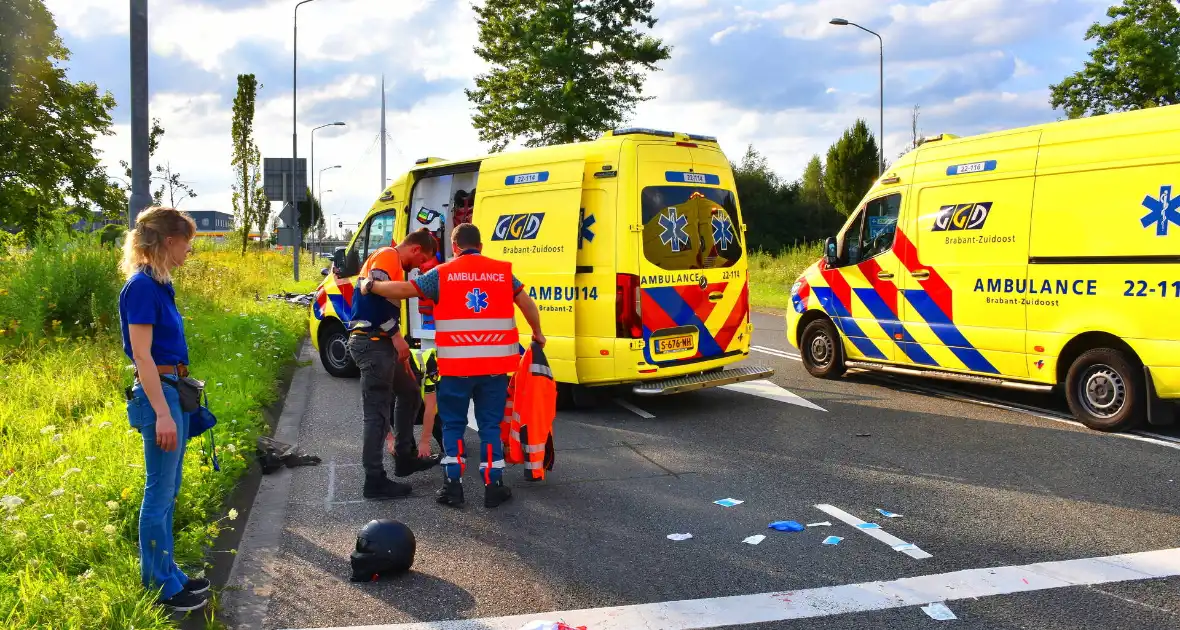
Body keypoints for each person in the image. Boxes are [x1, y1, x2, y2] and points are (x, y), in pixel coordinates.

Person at [361, 223, 544, 508]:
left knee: (454, 426)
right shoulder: (502, 273)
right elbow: (526, 302)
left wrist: (372, 285)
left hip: (456, 367)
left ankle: (453, 487)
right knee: (490, 426)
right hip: (494, 368)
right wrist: (537, 332)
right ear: (481, 246)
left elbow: (405, 289)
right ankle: (493, 486)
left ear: (455, 247)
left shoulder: (442, 274)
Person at [119, 206, 209, 613]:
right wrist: (163, 412)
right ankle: (159, 586)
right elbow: (142, 356)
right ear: (169, 241)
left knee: (168, 491)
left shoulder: (158, 285)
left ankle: (169, 573)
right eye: (187, 240)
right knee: (158, 493)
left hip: (174, 386)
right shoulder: (140, 287)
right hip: (160, 393)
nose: (190, 248)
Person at [348, 228, 438, 500]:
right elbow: (370, 297)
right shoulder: (388, 255)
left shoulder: (390, 260)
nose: (419, 268)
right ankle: (374, 480)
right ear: (415, 249)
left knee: (410, 391)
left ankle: (404, 456)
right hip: (373, 342)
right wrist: (397, 336)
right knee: (376, 415)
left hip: (382, 342)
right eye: (422, 261)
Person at [385, 345, 442, 458]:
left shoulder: (427, 362)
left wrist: (425, 441)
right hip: (407, 402)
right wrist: (390, 438)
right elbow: (378, 408)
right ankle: (408, 447)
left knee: (449, 447)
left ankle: (447, 440)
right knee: (391, 409)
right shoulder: (380, 368)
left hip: (432, 400)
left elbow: (431, 406)